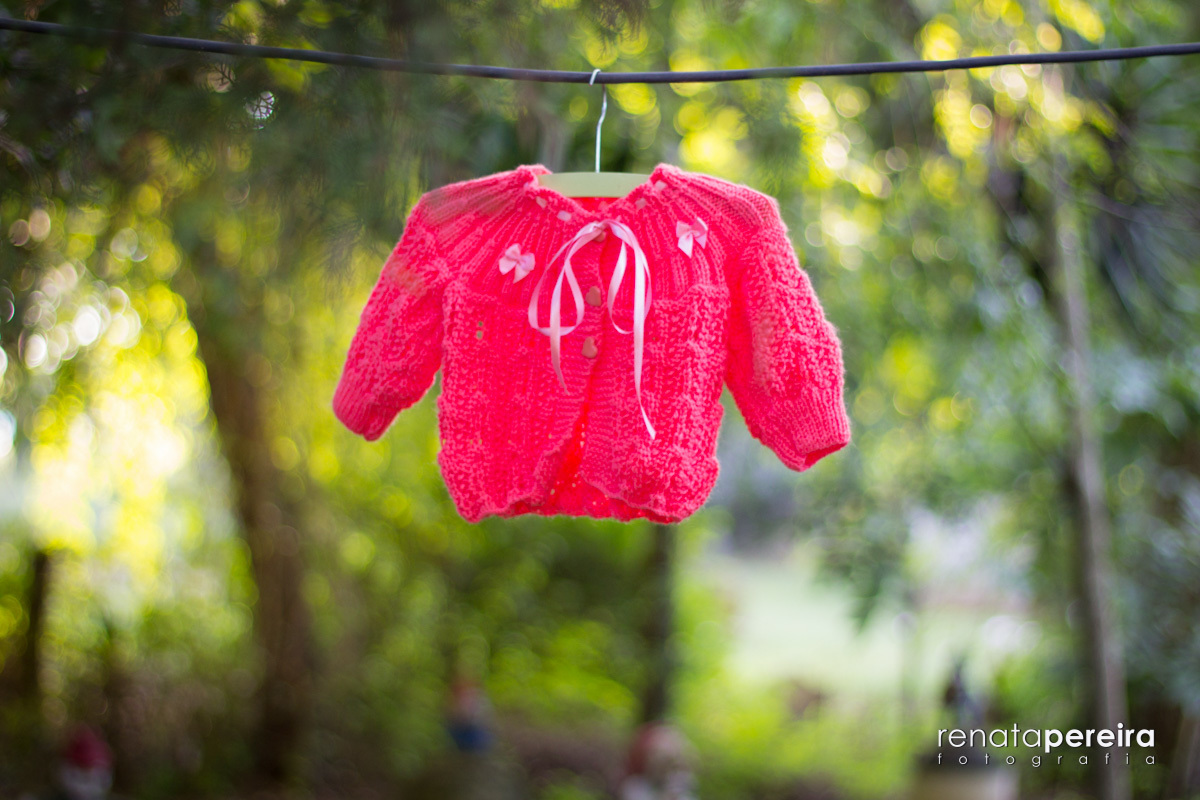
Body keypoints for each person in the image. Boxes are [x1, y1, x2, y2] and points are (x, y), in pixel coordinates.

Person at [618, 723, 696, 800]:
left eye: (669, 763)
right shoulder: (635, 787)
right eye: (660, 762)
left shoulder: (681, 786)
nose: (663, 768)